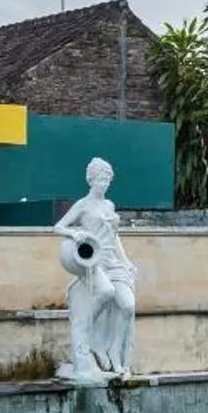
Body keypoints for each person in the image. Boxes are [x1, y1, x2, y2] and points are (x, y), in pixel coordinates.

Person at [52, 158, 138, 381]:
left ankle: (113, 351)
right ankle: (91, 337)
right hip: (95, 261)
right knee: (106, 292)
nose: (104, 184)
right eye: (101, 180)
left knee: (127, 306)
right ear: (91, 180)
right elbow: (58, 227)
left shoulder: (109, 205)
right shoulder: (83, 205)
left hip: (113, 261)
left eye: (108, 180)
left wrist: (125, 261)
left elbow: (114, 236)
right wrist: (74, 234)